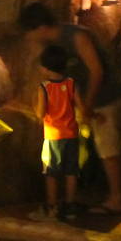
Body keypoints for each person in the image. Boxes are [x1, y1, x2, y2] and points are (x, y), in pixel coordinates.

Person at [19, 1, 121, 212]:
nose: (27, 38)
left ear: (39, 27)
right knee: (84, 149)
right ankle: (77, 196)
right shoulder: (53, 44)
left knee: (108, 148)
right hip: (81, 101)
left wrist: (87, 104)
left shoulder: (77, 36)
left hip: (104, 98)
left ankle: (116, 199)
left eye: (28, 32)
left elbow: (97, 71)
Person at [35, 44, 82, 220]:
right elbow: (81, 107)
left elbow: (40, 113)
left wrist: (35, 110)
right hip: (71, 134)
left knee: (51, 173)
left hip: (53, 137)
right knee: (71, 171)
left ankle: (52, 207)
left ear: (46, 69)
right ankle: (70, 207)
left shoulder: (44, 87)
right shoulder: (72, 83)